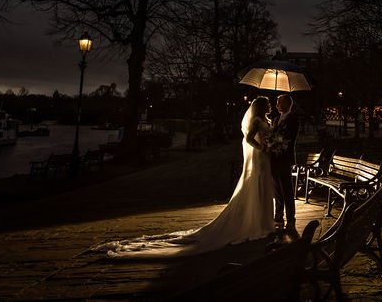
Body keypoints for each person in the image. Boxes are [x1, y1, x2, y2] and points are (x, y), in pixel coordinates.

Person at [98, 97, 275, 258]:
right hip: (260, 158)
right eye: (267, 104)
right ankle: (256, 222)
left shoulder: (266, 120)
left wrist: (272, 143)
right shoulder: (257, 121)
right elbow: (249, 139)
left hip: (265, 159)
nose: (270, 105)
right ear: (261, 107)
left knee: (263, 187)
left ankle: (262, 221)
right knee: (256, 186)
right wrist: (262, 148)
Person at [270, 93, 301, 233]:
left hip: (285, 159)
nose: (276, 105)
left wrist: (272, 141)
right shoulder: (275, 119)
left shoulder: (293, 119)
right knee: (277, 190)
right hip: (274, 159)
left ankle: (291, 220)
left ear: (288, 104)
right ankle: (278, 218)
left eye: (279, 102)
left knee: (287, 191)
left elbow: (288, 139)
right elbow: (272, 136)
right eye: (276, 102)